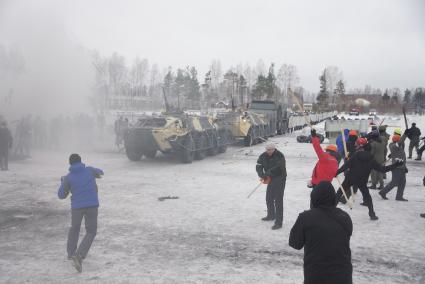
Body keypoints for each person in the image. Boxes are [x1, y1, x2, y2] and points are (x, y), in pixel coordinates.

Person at [289, 181, 353, 284]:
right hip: (343, 276)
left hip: (316, 276)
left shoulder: (306, 218)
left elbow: (294, 243)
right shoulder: (345, 217)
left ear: (314, 197)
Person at [58, 154, 104, 273]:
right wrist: (96, 173)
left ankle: (71, 253)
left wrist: (62, 181)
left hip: (77, 207)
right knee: (91, 231)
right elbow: (101, 172)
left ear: (70, 164)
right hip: (92, 205)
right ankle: (79, 255)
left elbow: (61, 195)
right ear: (81, 161)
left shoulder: (68, 177)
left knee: (75, 228)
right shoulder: (89, 170)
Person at [336, 138, 402, 220]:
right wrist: (395, 165)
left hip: (350, 178)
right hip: (362, 180)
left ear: (361, 147)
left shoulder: (356, 155)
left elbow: (346, 166)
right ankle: (372, 214)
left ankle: (329, 211)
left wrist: (337, 172)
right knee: (367, 197)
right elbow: (382, 169)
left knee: (339, 192)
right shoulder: (371, 159)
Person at [256, 144, 287, 230]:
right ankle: (271, 215)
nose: (269, 151)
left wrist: (267, 173)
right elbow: (258, 165)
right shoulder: (263, 155)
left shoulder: (280, 155)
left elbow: (278, 168)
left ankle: (278, 222)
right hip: (270, 178)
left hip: (280, 178)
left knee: (278, 200)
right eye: (267, 150)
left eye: (270, 150)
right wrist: (261, 174)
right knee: (269, 198)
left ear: (274, 149)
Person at [379, 133, 408, 201]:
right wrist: (405, 135)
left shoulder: (398, 146)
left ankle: (399, 196)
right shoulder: (393, 145)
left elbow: (400, 156)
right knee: (394, 182)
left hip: (402, 167)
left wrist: (405, 167)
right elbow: (399, 143)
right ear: (397, 140)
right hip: (397, 168)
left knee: (402, 183)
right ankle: (383, 192)